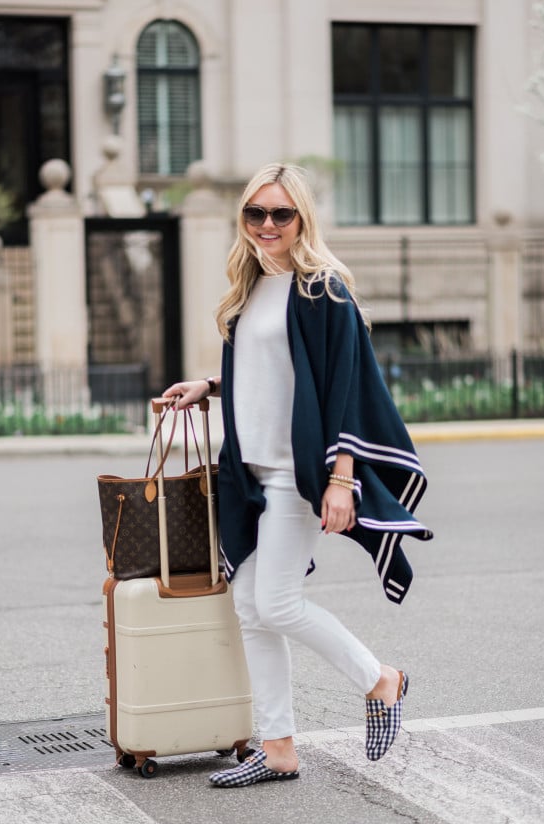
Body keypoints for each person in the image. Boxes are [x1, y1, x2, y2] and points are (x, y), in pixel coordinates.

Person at [163, 162, 432, 788]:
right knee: (251, 609)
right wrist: (209, 385)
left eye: (280, 214)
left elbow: (344, 390)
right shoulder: (251, 285)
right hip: (249, 473)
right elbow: (278, 376)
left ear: (302, 217)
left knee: (277, 603)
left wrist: (343, 480)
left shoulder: (324, 289)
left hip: (297, 476)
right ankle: (279, 747)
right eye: (255, 213)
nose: (266, 225)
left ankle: (381, 680)